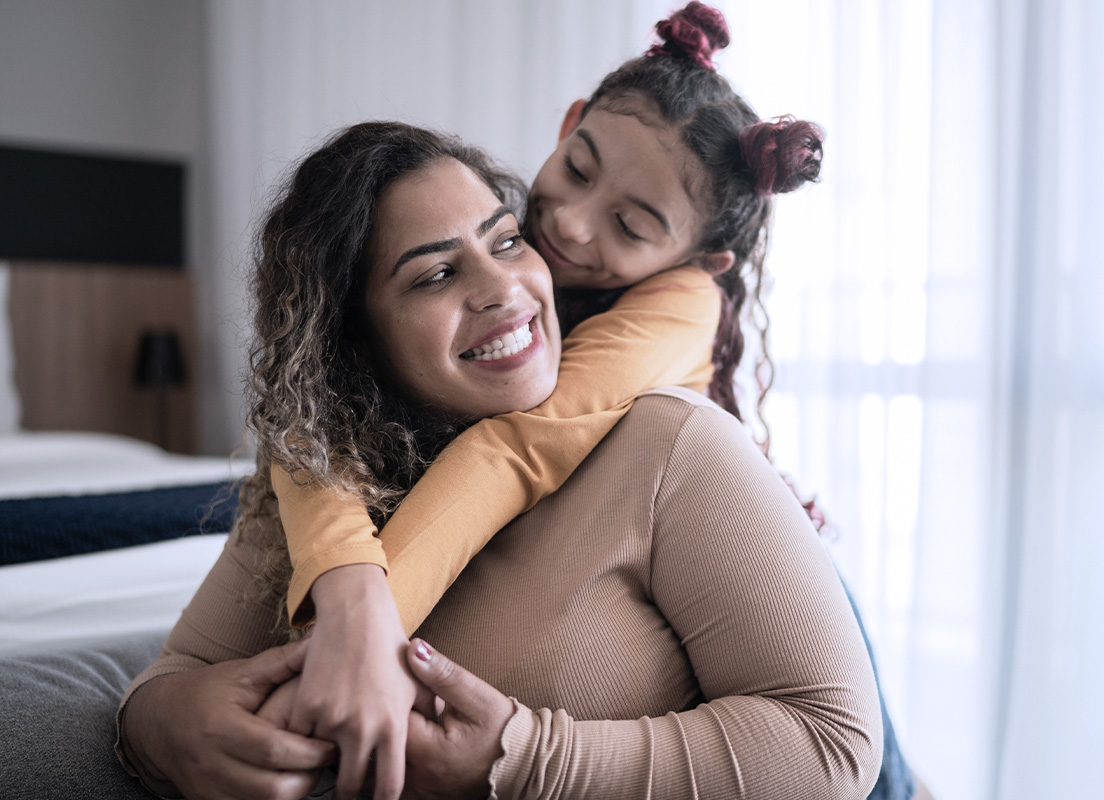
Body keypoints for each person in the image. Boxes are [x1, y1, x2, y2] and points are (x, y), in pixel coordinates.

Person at [116, 121, 884, 800]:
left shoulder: (673, 445)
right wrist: (162, 727)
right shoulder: (328, 475)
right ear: (355, 342)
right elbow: (175, 674)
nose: (506, 289)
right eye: (437, 274)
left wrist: (524, 758)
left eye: (507, 240)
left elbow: (835, 744)